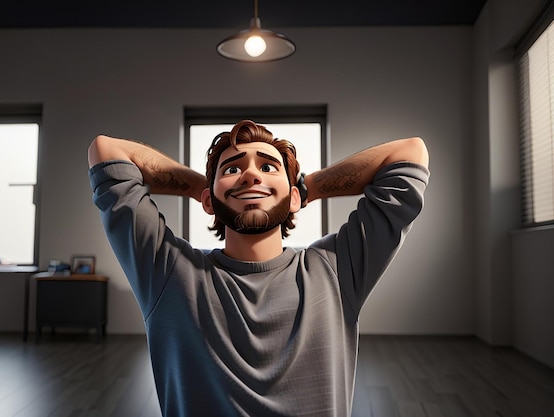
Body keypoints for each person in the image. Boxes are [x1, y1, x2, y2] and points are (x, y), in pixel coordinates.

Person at [88, 120, 429, 417]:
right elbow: (107, 150)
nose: (251, 174)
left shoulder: (336, 269)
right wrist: (205, 188)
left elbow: (410, 153)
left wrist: (305, 188)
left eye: (268, 167)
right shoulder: (169, 272)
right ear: (208, 200)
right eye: (233, 168)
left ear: (295, 197)